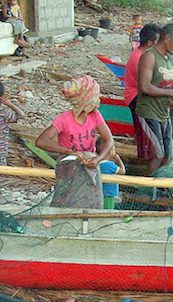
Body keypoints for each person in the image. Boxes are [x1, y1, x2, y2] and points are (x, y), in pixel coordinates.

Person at [36, 74, 114, 209]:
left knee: (90, 204)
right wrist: (69, 151)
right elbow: (41, 141)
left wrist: (98, 158)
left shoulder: (95, 116)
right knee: (66, 201)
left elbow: (109, 140)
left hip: (89, 164)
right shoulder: (64, 119)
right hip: (69, 166)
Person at [136, 23, 173, 175]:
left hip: (164, 113)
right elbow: (144, 87)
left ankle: (159, 185)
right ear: (167, 38)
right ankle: (148, 189)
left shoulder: (169, 59)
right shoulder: (149, 56)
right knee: (157, 155)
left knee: (167, 155)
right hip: (149, 113)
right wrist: (170, 94)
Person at [124, 23, 160, 126]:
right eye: (158, 42)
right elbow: (149, 84)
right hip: (136, 97)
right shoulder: (140, 58)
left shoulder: (140, 53)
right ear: (150, 42)